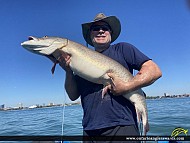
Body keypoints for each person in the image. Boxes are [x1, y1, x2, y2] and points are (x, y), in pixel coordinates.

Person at [57, 13, 162, 142]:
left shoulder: (123, 49)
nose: (101, 31)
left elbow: (154, 70)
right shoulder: (80, 63)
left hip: (121, 126)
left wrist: (126, 87)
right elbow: (73, 96)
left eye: (105, 28)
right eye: (96, 28)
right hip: (90, 130)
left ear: (110, 33)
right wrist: (68, 72)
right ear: (90, 34)